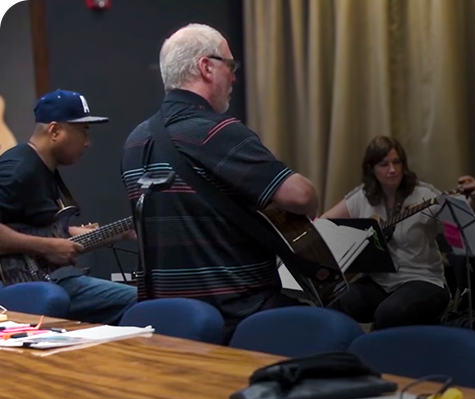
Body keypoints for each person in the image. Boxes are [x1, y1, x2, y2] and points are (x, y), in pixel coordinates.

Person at [121, 24, 318, 341]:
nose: (234, 77)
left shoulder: (135, 141)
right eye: (230, 65)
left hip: (168, 324)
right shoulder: (217, 131)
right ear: (206, 67)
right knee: (339, 329)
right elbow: (301, 197)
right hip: (240, 316)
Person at [0, 89, 137, 324]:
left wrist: (119, 233)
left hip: (49, 280)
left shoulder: (42, 168)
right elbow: (46, 243)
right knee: (140, 300)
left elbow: (40, 230)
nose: (87, 142)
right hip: (30, 286)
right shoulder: (19, 170)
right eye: (82, 130)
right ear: (54, 131)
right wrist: (47, 247)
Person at [321, 135, 475, 329]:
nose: (392, 170)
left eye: (397, 162)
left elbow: (459, 223)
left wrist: (471, 200)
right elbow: (324, 224)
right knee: (337, 300)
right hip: (381, 282)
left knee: (389, 313)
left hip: (424, 280)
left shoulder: (423, 195)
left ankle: (376, 348)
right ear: (371, 169)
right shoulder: (363, 197)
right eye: (384, 164)